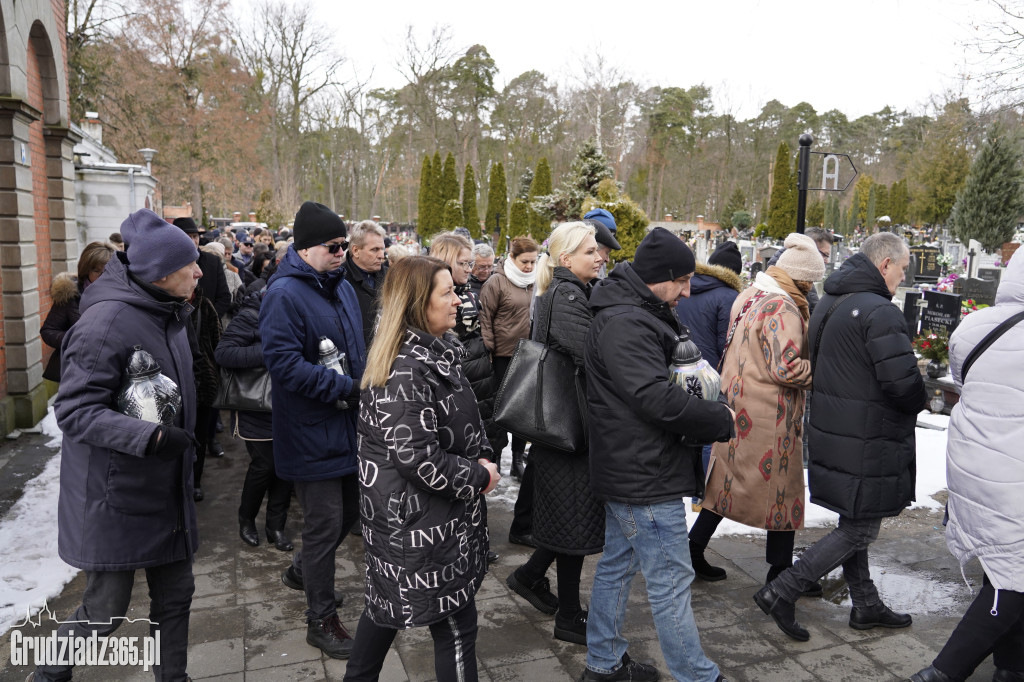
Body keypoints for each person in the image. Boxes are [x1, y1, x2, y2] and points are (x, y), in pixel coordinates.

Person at [33, 208, 202, 682]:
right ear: (163, 273)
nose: (198, 270)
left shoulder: (168, 310)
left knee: (177, 594)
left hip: (165, 489)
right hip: (117, 496)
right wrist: (151, 437)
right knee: (106, 608)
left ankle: (173, 677)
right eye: (189, 264)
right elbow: (75, 411)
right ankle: (49, 673)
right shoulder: (105, 323)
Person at [754, 232, 927, 642]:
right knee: (859, 529)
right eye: (902, 269)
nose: (902, 278)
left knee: (855, 518)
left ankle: (865, 604)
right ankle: (784, 590)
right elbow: (903, 385)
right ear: (885, 264)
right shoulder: (879, 311)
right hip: (867, 435)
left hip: (836, 429)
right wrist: (920, 400)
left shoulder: (831, 300)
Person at [583, 227, 735, 682]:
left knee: (617, 566)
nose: (688, 291)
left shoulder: (638, 309)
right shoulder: (628, 320)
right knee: (671, 584)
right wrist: (719, 419)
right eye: (683, 281)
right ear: (658, 277)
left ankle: (603, 662)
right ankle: (698, 676)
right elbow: (653, 398)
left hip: (635, 466)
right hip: (643, 473)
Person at [342, 256, 500, 682]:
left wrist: (482, 452)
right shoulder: (406, 369)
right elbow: (419, 459)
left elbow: (460, 418)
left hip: (423, 522)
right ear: (416, 304)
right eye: (446, 292)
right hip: (419, 527)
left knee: (386, 609)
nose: (458, 300)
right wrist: (480, 476)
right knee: (454, 625)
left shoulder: (434, 351)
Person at [910, 251, 1024, 682]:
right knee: (1011, 577)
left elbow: (963, 383)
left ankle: (1012, 667)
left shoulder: (973, 327)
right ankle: (942, 672)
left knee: (1007, 565)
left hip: (973, 464)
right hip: (1015, 477)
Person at [259, 201, 365, 659]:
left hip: (347, 424)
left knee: (351, 513)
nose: (343, 252)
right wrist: (346, 387)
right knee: (324, 524)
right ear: (304, 249)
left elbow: (356, 348)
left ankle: (303, 570)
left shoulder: (338, 286)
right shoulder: (283, 294)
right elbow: (283, 365)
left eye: (346, 245)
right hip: (309, 430)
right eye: (334, 246)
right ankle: (320, 620)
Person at [691, 233, 825, 586]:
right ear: (800, 277)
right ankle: (780, 573)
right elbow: (787, 368)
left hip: (736, 405)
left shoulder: (751, 294)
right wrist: (824, 373)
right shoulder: (783, 307)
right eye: (809, 280)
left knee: (722, 486)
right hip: (770, 416)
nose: (811, 288)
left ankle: (693, 548)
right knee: (784, 492)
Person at [505, 222, 605, 646]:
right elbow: (593, 356)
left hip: (561, 426)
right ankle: (568, 615)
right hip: (567, 428)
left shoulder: (567, 291)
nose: (599, 256)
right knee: (573, 521)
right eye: (589, 252)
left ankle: (529, 577)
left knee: (569, 517)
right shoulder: (567, 296)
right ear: (566, 259)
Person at [429, 234, 499, 555]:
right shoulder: (435, 296)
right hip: (461, 371)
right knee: (457, 454)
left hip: (478, 370)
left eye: (472, 263)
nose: (470, 269)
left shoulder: (468, 290)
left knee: (479, 448)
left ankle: (474, 537)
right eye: (464, 263)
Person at [214, 287, 294, 551]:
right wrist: (271, 352)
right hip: (256, 406)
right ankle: (246, 519)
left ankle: (276, 526)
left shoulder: (298, 311)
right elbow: (223, 354)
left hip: (290, 403)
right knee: (265, 465)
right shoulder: (250, 315)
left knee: (285, 466)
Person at [478, 236, 538, 480]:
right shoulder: (496, 282)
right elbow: (486, 319)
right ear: (512, 258)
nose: (529, 267)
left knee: (522, 411)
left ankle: (516, 458)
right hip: (502, 356)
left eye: (534, 262)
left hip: (527, 355)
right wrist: (490, 351)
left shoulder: (534, 282)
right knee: (501, 410)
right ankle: (496, 455)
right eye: (525, 261)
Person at [41, 241, 116, 383]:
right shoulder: (71, 295)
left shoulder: (123, 295)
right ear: (86, 270)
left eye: (107, 271)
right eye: (96, 270)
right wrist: (74, 340)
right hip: (77, 373)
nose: (102, 276)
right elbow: (48, 330)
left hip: (112, 370)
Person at [187, 281, 222, 502]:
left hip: (204, 382)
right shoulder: (161, 305)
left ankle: (196, 481)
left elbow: (218, 341)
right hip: (176, 382)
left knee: (199, 436)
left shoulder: (205, 306)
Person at [342, 220, 388, 347]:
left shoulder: (391, 277)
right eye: (375, 250)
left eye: (382, 249)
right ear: (356, 250)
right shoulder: (339, 281)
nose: (381, 255)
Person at [174, 217, 232, 317]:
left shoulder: (213, 261)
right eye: (188, 237)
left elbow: (224, 297)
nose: (192, 241)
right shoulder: (169, 263)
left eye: (195, 236)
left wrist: (210, 320)